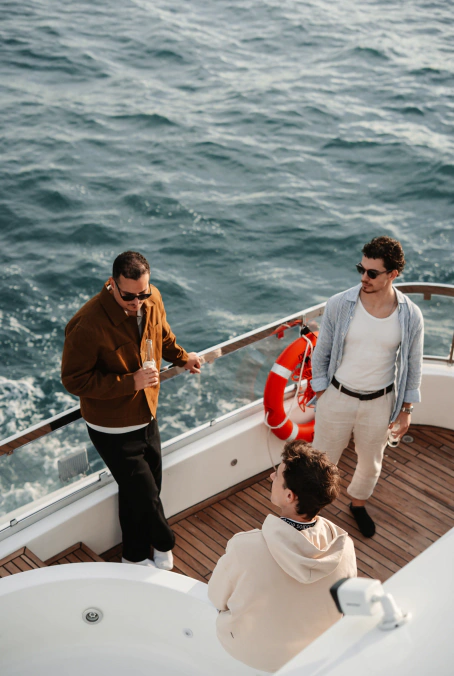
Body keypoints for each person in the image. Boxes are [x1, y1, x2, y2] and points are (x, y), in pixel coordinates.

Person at [61, 251, 201, 570]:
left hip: (147, 415)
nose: (137, 301)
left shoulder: (152, 298)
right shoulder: (86, 324)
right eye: (129, 295)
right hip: (111, 428)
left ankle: (133, 557)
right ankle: (165, 545)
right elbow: (74, 380)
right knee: (147, 496)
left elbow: (163, 337)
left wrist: (182, 358)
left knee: (137, 492)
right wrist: (130, 382)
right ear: (112, 284)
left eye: (143, 293)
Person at [208, 440, 357, 673]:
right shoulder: (344, 548)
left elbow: (216, 597)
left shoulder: (244, 547)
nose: (270, 477)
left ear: (289, 496)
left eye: (277, 475)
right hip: (313, 658)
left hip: (249, 655)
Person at [311, 236, 424, 537]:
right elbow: (320, 353)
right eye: (361, 269)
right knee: (321, 460)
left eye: (372, 273)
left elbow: (413, 365)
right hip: (337, 395)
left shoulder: (410, 315)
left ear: (392, 275)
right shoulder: (339, 304)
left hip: (380, 402)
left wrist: (406, 410)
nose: (364, 277)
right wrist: (323, 392)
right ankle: (311, 514)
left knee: (371, 463)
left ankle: (357, 504)